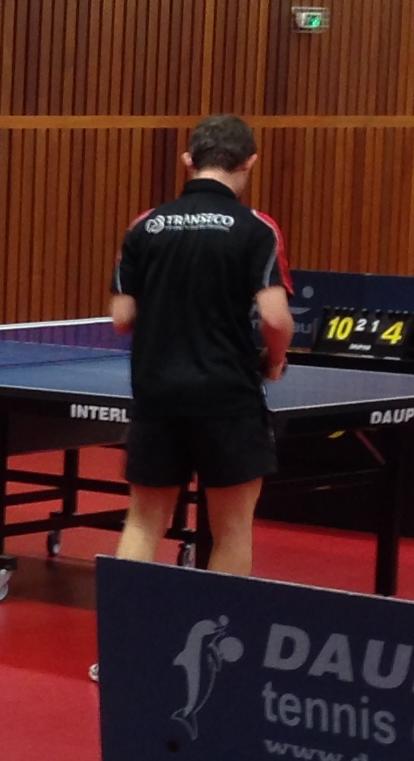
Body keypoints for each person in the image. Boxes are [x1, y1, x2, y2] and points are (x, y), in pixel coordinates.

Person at [107, 115, 293, 576]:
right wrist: (275, 360)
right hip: (227, 395)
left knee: (143, 521)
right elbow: (274, 317)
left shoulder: (145, 225)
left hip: (157, 393)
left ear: (188, 160)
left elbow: (122, 317)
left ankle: (125, 624)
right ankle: (220, 623)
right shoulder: (256, 228)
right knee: (232, 530)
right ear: (250, 162)